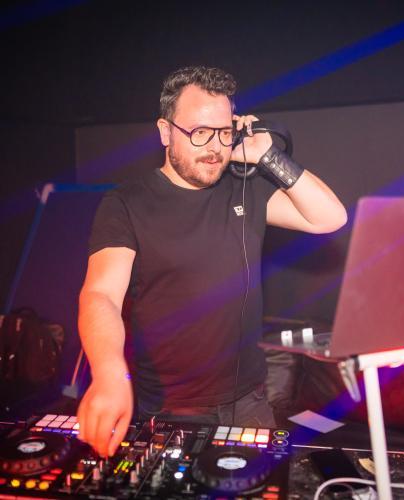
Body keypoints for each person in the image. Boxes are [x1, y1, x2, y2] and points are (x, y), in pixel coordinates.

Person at [77, 66, 347, 458]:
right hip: (170, 409)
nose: (214, 147)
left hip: (250, 402)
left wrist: (266, 155)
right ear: (165, 131)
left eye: (223, 132)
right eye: (200, 132)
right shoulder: (125, 204)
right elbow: (101, 295)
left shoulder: (246, 187)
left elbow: (330, 218)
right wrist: (108, 375)